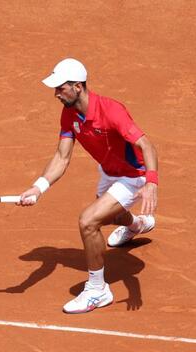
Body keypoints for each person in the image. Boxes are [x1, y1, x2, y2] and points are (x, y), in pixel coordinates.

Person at [17, 58, 158, 314]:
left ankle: (97, 290)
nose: (56, 94)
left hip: (132, 176)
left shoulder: (112, 111)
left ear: (78, 86)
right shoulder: (69, 113)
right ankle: (138, 225)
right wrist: (38, 187)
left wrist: (151, 183)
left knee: (88, 221)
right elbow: (62, 157)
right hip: (108, 172)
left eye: (60, 88)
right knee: (108, 217)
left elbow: (146, 145)